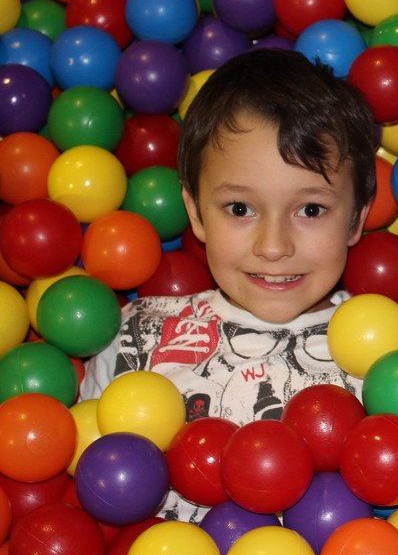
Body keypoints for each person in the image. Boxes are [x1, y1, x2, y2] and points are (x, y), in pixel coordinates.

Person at [81, 48, 379, 520]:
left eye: (311, 209)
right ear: (196, 211)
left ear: (356, 218)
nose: (274, 245)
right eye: (240, 209)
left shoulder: (397, 353)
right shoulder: (135, 338)